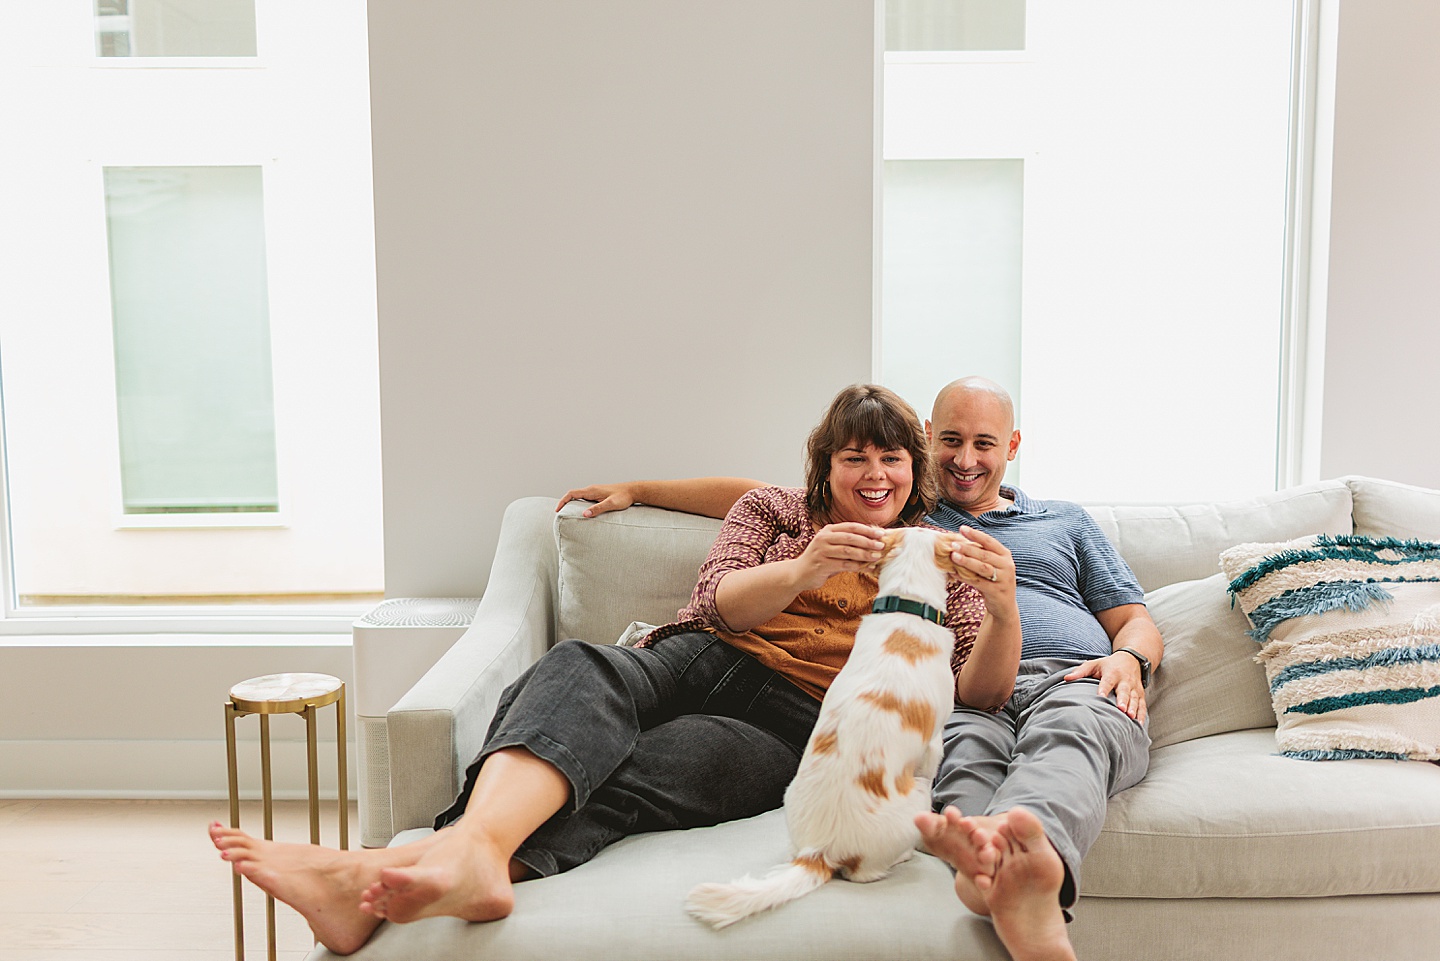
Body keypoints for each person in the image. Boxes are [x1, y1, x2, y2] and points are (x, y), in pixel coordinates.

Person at [209, 383, 1023, 956]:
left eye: (891, 459)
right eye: (855, 458)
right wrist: (804, 568)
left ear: (913, 471)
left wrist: (1004, 608)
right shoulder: (776, 512)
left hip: (794, 722)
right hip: (703, 653)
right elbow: (718, 602)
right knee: (576, 671)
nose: (874, 475)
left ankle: (388, 871)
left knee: (631, 778)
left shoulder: (937, 557)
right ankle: (473, 853)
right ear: (826, 465)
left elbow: (972, 688)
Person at [559, 376, 1164, 961]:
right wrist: (637, 488)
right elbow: (768, 496)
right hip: (955, 691)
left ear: (1012, 446)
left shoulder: (1063, 521)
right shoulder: (907, 521)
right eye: (950, 441)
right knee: (961, 754)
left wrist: (1129, 658)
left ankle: (1028, 874)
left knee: (1069, 734)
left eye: (984, 444)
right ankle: (985, 872)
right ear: (929, 441)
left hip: (1072, 675)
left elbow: (1136, 619)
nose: (965, 460)